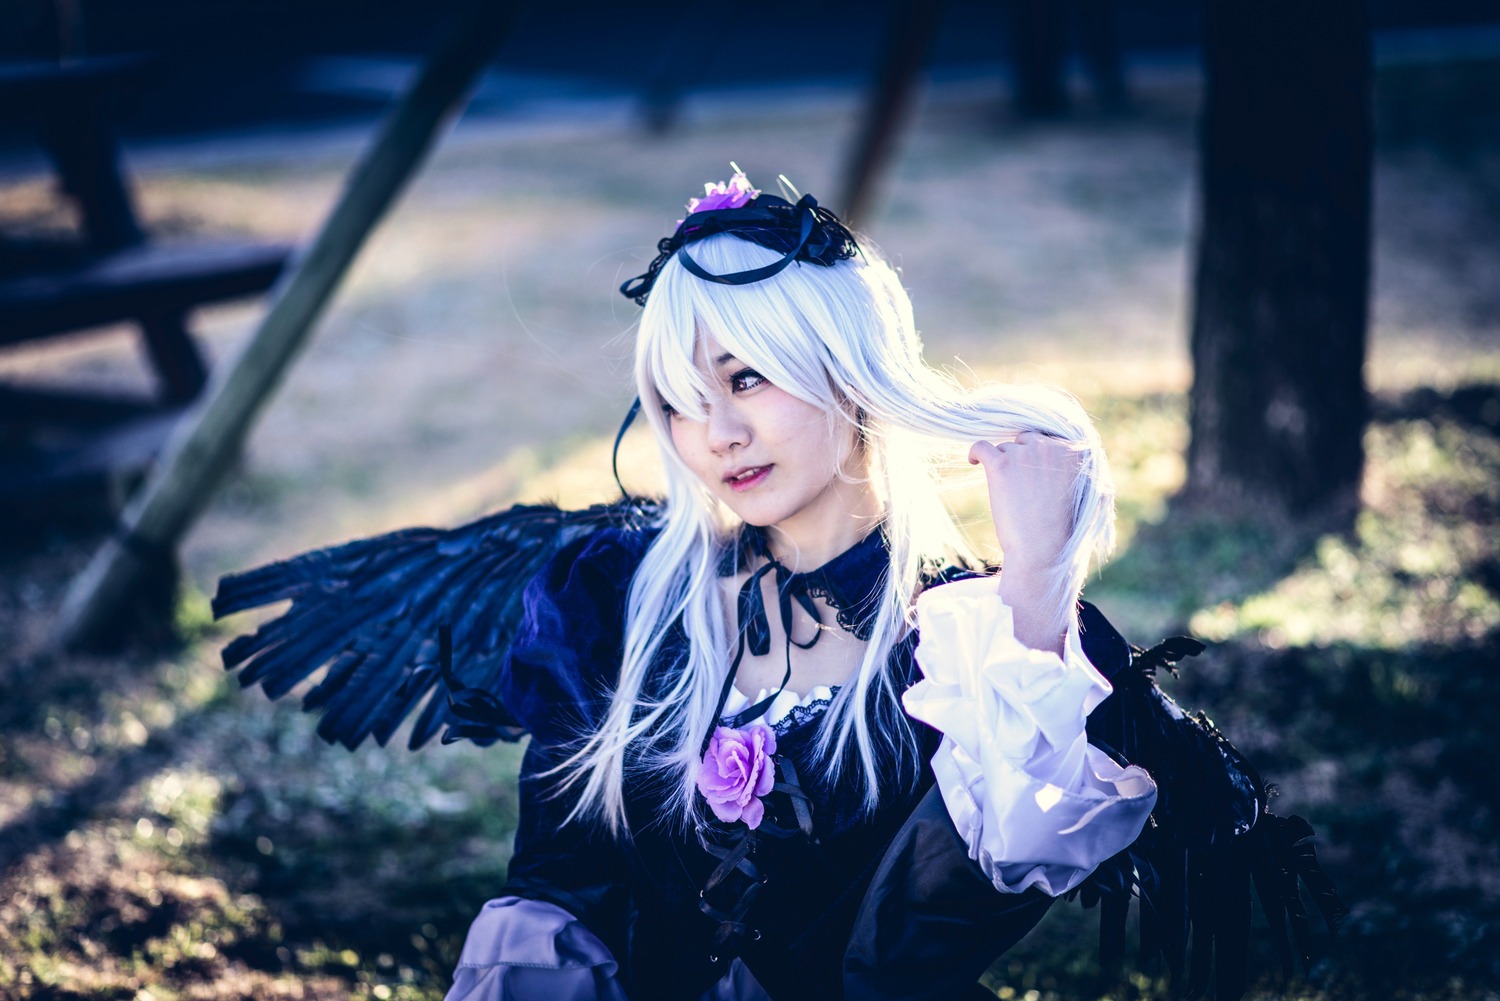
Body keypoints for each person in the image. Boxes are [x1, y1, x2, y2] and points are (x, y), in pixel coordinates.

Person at [215, 170, 1341, 1001]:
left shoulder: (974, 647)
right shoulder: (618, 599)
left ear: (845, 372)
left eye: (748, 375)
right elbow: (559, 892)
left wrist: (1039, 582)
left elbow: (952, 914)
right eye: (676, 397)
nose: (715, 433)